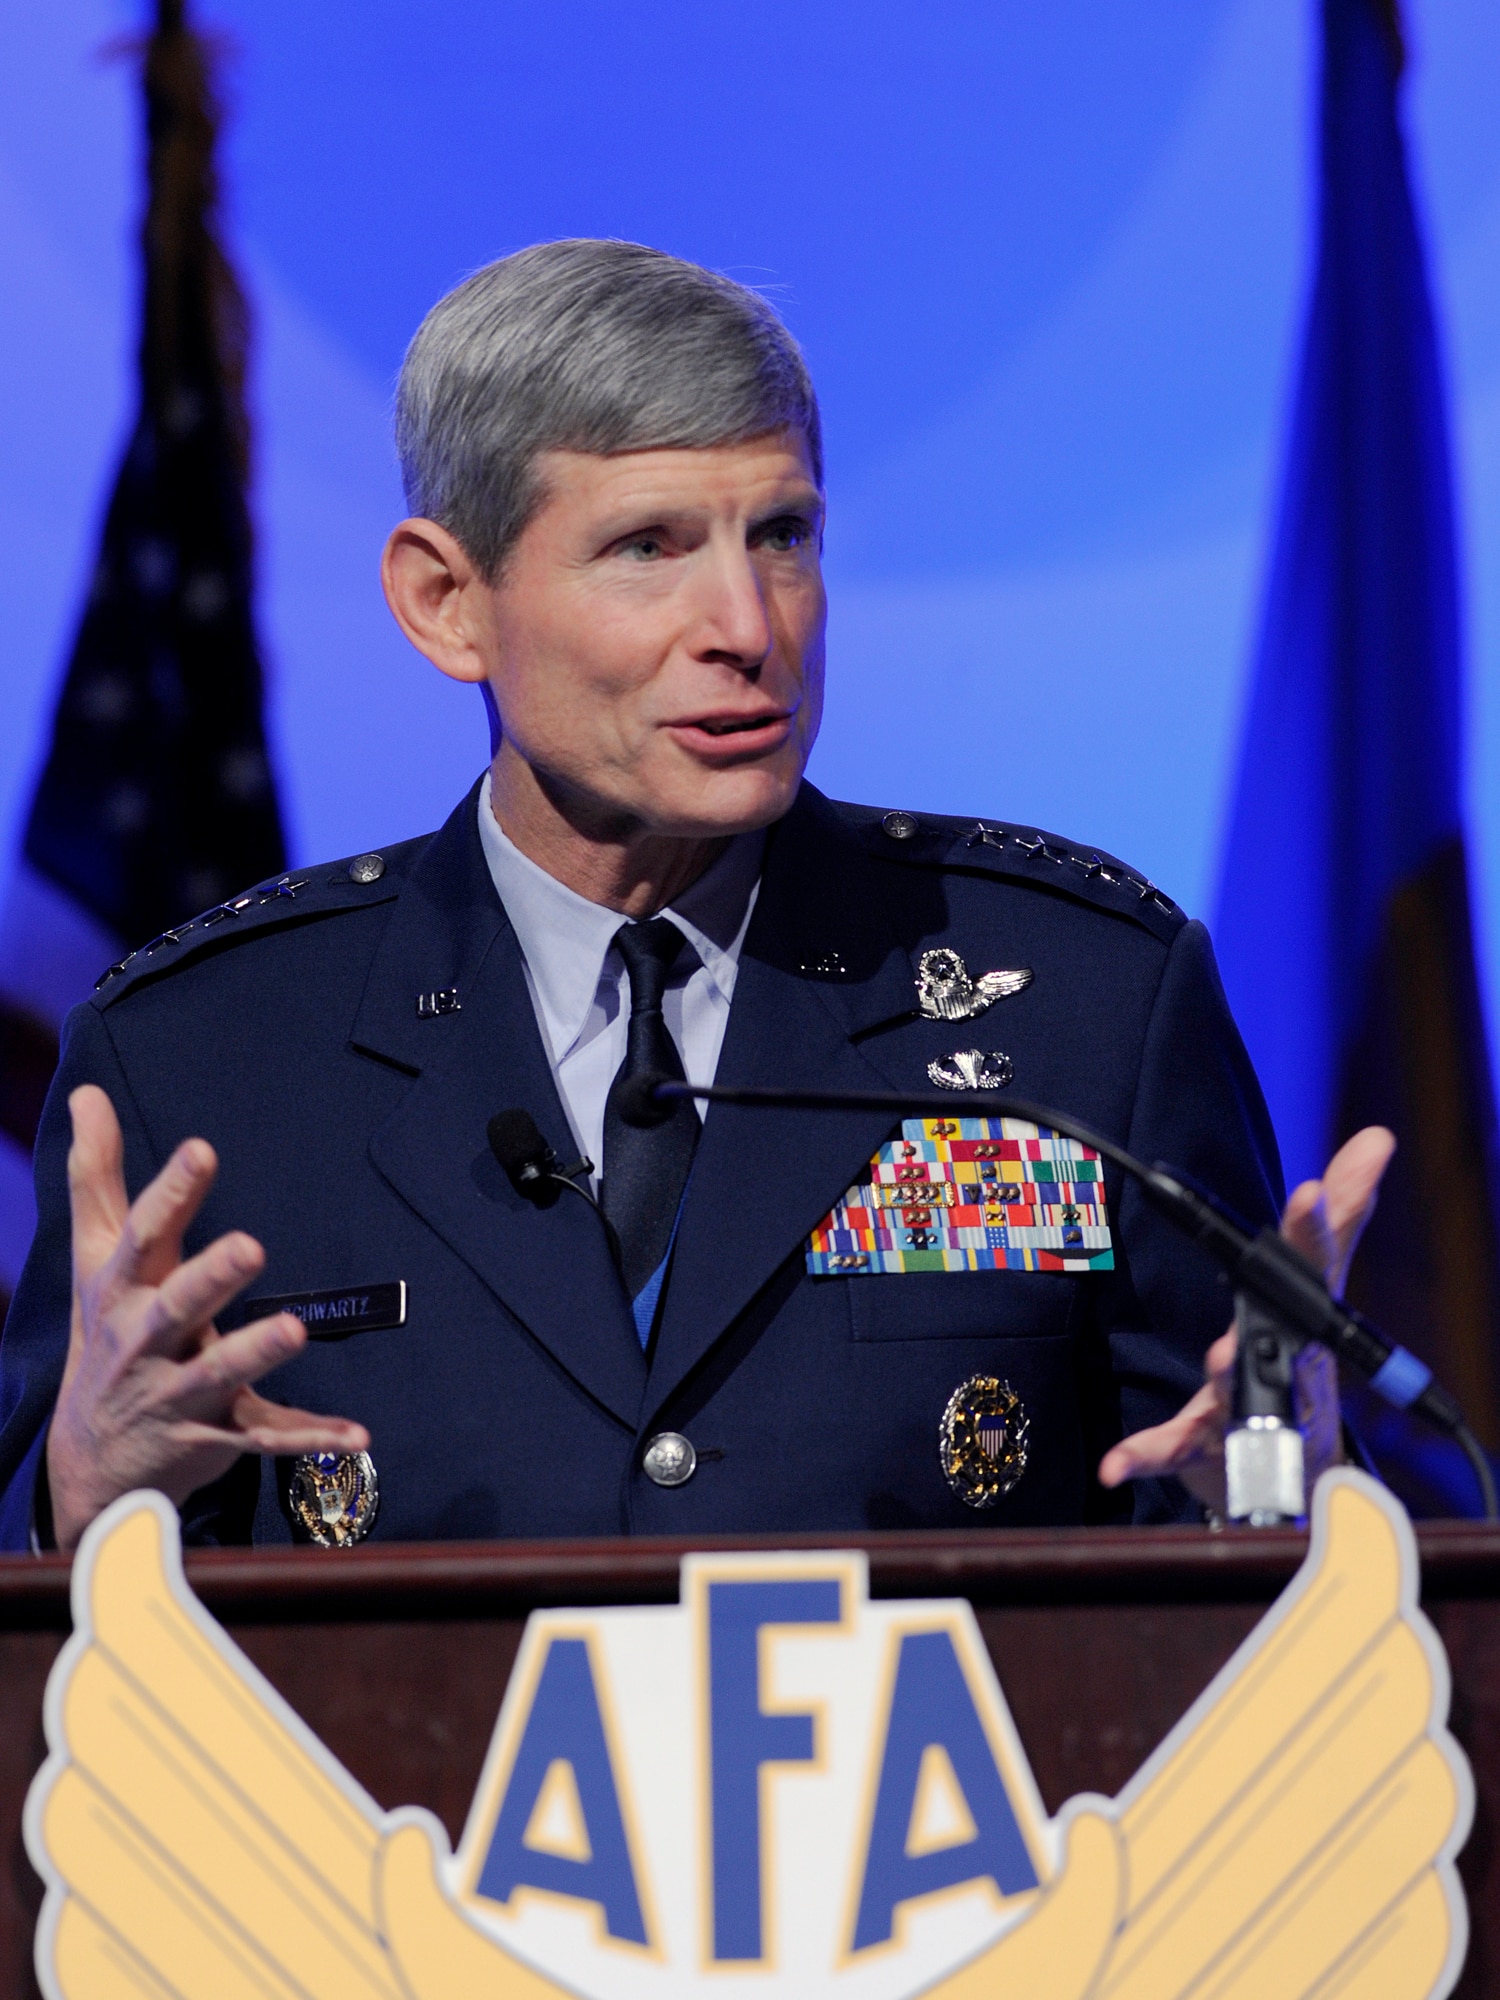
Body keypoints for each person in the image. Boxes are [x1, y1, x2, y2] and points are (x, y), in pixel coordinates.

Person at [0, 241, 1390, 1553]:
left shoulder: (1089, 1004)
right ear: (446, 604)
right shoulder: (207, 1056)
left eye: (781, 534)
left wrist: (1280, 1496)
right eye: (649, 547)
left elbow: (1250, 1553)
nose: (747, 626)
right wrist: (80, 1501)